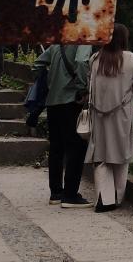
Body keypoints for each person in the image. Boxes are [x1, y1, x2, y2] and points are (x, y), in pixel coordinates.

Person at [85, 24, 133, 212]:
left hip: (98, 114)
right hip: (120, 114)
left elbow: (89, 81)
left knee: (100, 155)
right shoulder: (129, 59)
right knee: (121, 155)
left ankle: (103, 198)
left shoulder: (95, 59)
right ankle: (117, 196)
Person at [33, 43, 94, 208]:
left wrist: (50, 81)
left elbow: (37, 64)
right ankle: (70, 195)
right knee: (77, 147)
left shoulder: (56, 44)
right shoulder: (83, 41)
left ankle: (56, 193)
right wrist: (82, 88)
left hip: (52, 102)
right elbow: (81, 61)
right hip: (71, 101)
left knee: (56, 147)